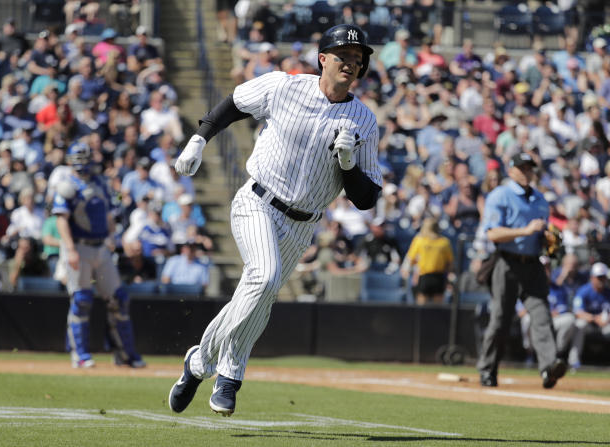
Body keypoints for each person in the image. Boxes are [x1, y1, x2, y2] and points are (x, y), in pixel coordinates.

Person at [168, 24, 381, 417]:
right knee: (263, 278)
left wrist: (348, 166)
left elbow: (367, 198)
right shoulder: (286, 86)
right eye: (343, 57)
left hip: (302, 224)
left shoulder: (364, 121)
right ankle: (229, 374)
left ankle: (198, 362)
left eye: (357, 59)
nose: (351, 64)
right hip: (258, 201)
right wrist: (199, 138)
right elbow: (234, 103)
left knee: (259, 296)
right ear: (323, 59)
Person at [477, 153, 567, 389]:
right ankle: (488, 369)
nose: (527, 172)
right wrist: (525, 232)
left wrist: (548, 242)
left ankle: (549, 368)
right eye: (522, 167)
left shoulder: (539, 199)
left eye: (530, 168)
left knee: (542, 317)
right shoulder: (500, 195)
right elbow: (492, 233)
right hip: (506, 262)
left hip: (533, 264)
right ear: (511, 170)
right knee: (500, 321)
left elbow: (543, 235)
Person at [52, 142, 145, 369]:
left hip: (101, 246)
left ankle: (124, 353)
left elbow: (108, 216)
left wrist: (114, 237)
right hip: (79, 247)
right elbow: (61, 219)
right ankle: (80, 354)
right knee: (82, 299)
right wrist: (70, 249)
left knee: (119, 298)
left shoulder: (100, 183)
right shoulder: (66, 186)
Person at [401, 216, 454, 305]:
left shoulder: (420, 240)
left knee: (422, 308)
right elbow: (450, 263)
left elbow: (410, 259)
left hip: (427, 277)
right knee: (437, 308)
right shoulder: (444, 242)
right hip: (436, 277)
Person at [569, 262, 610, 370]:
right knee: (579, 325)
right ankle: (574, 361)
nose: (602, 280)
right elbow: (577, 312)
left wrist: (607, 318)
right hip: (589, 324)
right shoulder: (584, 291)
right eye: (599, 277)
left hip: (605, 325)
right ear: (592, 278)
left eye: (603, 277)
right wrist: (595, 318)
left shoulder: (608, 292)